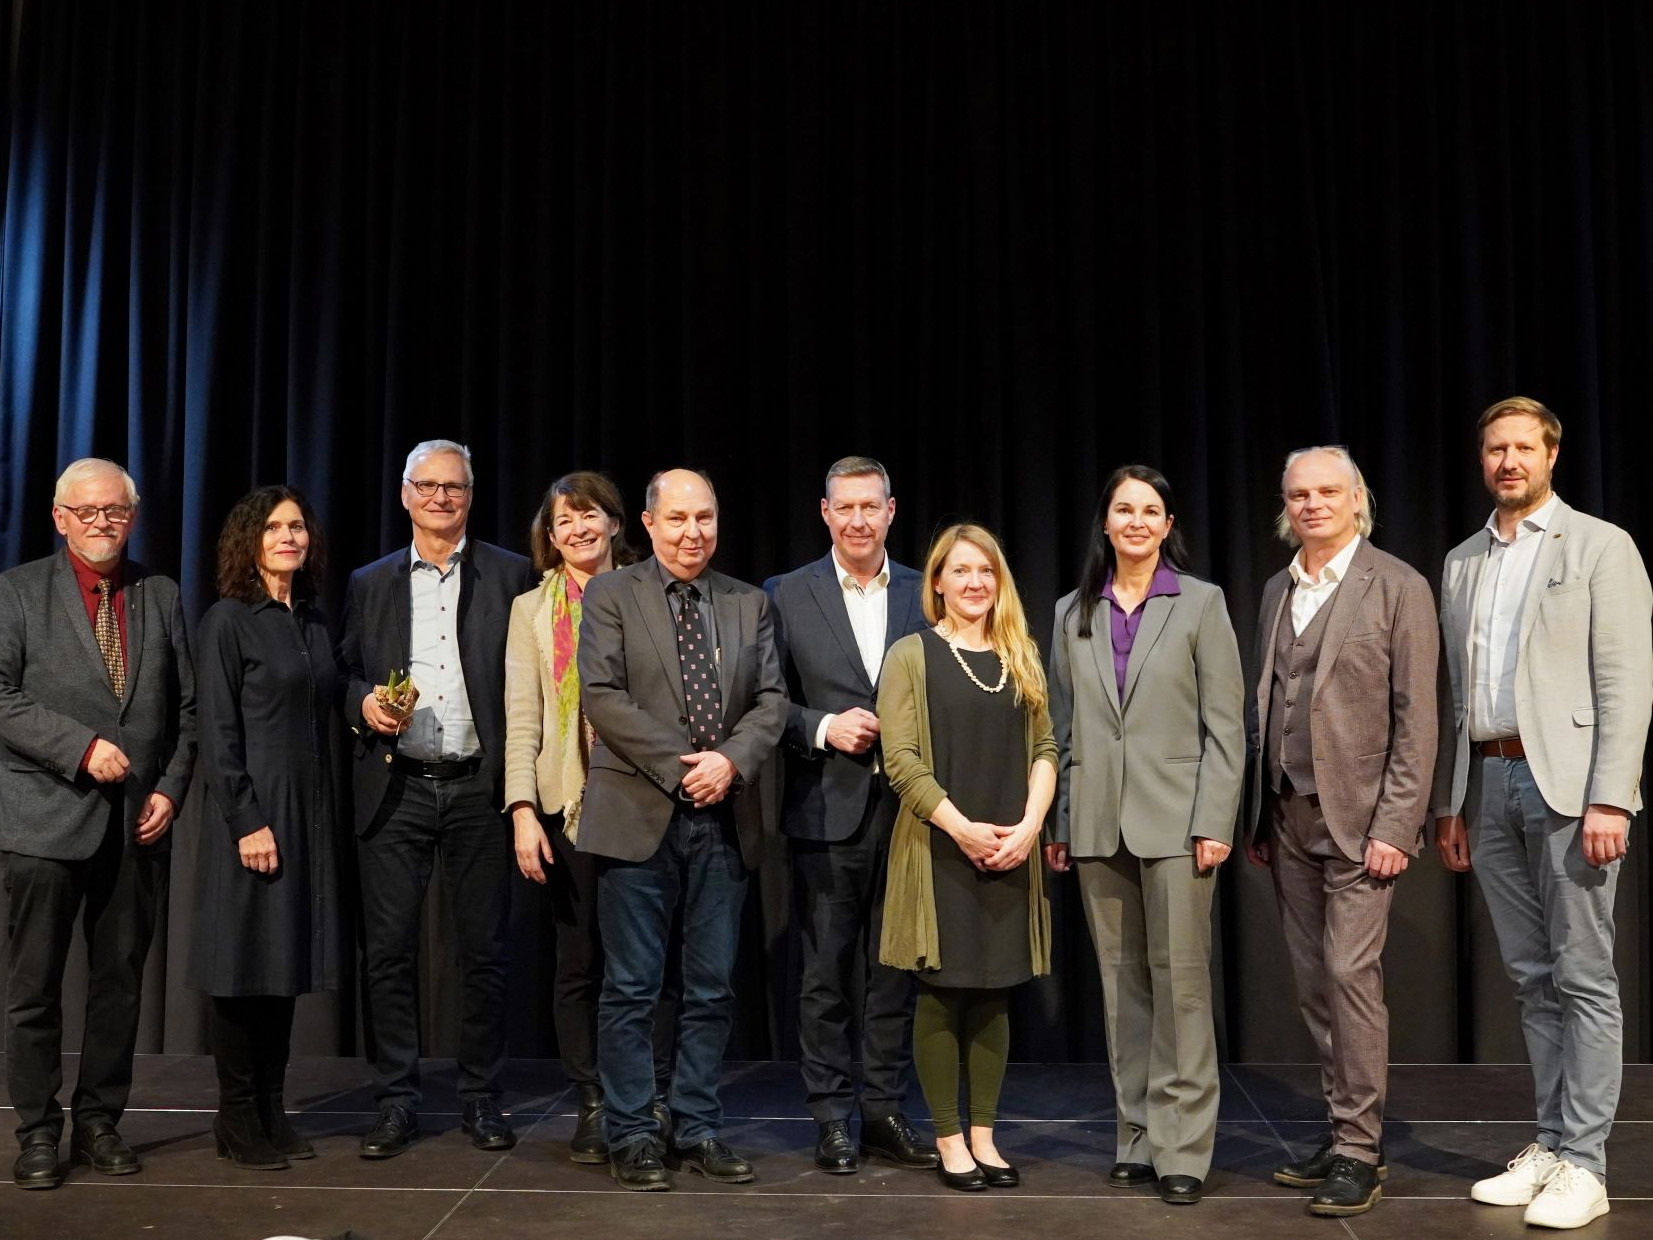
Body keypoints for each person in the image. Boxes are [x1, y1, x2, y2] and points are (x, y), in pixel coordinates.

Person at [1433, 397, 1653, 1230]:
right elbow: (1462, 695)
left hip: (1567, 787)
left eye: (1523, 446)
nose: (1507, 461)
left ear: (1551, 454)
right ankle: (1552, 1143)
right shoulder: (1462, 560)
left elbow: (1624, 681)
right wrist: (1449, 799)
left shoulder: (1600, 545)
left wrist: (1610, 795)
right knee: (1531, 978)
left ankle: (1587, 1165)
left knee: (1584, 976)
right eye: (1494, 448)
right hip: (1487, 783)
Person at [575, 468, 787, 1191]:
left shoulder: (747, 601)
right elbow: (601, 697)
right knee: (631, 987)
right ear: (649, 522)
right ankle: (631, 1131)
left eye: (704, 519)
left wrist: (728, 764)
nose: (692, 532)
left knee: (709, 989)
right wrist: (684, 766)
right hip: (636, 815)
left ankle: (694, 1124)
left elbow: (771, 702)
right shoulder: (610, 593)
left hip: (724, 819)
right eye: (677, 520)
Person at [1244, 446, 1437, 1217]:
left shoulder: (1396, 587)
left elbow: (1414, 721)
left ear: (1358, 499)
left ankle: (1360, 1149)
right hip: (1286, 814)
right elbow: (1268, 703)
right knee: (1313, 982)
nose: (1312, 504)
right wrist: (1259, 813)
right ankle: (1340, 1127)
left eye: (1327, 492)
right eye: (1298, 494)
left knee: (1351, 978)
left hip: (1361, 823)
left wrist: (1397, 823)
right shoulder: (1274, 589)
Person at [1045, 466, 1245, 1205]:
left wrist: (1213, 822)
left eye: (1149, 510)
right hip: (1097, 821)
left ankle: (1182, 1146)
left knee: (1181, 988)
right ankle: (1134, 1135)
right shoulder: (1073, 611)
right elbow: (1061, 730)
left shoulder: (1199, 603)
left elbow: (1226, 729)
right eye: (1122, 509)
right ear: (1104, 522)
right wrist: (1063, 821)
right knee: (1119, 989)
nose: (1135, 521)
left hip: (1177, 823)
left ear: (1166, 526)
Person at [0, 458, 197, 1190]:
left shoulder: (160, 593)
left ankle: (100, 1119)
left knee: (119, 985)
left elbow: (187, 709)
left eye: (114, 511)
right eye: (86, 512)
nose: (102, 523)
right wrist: (79, 748)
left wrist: (171, 791)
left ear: (132, 516)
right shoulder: (17, 593)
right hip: (42, 819)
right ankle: (38, 1130)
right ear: (59, 518)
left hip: (136, 825)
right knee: (34, 988)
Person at [337, 440, 537, 1158]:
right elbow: (346, 671)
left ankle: (481, 1097)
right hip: (396, 788)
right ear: (404, 494)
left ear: (470, 496)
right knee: (388, 954)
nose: (441, 498)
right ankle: (397, 1100)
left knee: (484, 954)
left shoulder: (513, 576)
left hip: (479, 788)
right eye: (428, 486)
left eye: (453, 487)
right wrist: (366, 706)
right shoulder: (371, 581)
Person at [763, 456, 937, 1175]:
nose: (859, 519)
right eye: (846, 508)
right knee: (826, 973)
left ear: (890, 512)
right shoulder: (785, 594)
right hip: (825, 805)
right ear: (825, 513)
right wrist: (822, 726)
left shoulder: (927, 590)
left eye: (872, 506)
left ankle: (882, 1110)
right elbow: (765, 699)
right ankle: (832, 1116)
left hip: (910, 811)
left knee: (895, 971)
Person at [877, 523, 1057, 1193]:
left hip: (1011, 845)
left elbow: (1046, 749)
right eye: (961, 571)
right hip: (939, 847)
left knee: (993, 992)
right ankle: (948, 1140)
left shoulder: (1020, 654)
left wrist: (1029, 826)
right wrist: (962, 829)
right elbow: (899, 761)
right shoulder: (911, 655)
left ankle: (985, 1135)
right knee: (941, 992)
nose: (975, 582)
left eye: (986, 571)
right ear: (938, 583)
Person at [503, 471, 674, 1164]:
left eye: (589, 515)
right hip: (568, 806)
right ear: (550, 535)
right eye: (563, 520)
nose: (577, 529)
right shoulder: (529, 611)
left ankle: (648, 1098)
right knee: (578, 964)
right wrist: (521, 810)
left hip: (642, 799)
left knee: (644, 963)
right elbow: (523, 719)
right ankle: (594, 1102)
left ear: (613, 523)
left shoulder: (650, 589)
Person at [188, 486, 341, 1170]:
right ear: (249, 541)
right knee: (241, 968)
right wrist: (248, 820)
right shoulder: (228, 620)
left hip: (305, 811)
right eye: (275, 527)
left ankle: (272, 1109)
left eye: (298, 526)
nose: (289, 536)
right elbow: (217, 734)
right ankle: (237, 1116)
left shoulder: (311, 621)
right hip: (250, 813)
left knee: (280, 969)